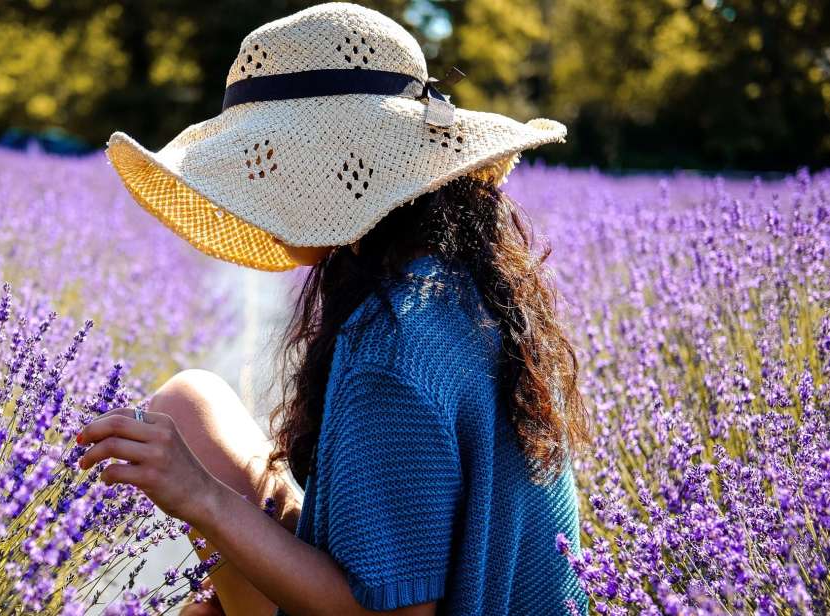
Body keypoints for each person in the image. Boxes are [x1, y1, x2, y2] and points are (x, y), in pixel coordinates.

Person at [80, 3, 590, 614]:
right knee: (190, 405)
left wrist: (200, 497)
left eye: (268, 163)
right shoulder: (464, 284)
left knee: (193, 453)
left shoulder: (393, 349)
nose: (256, 191)